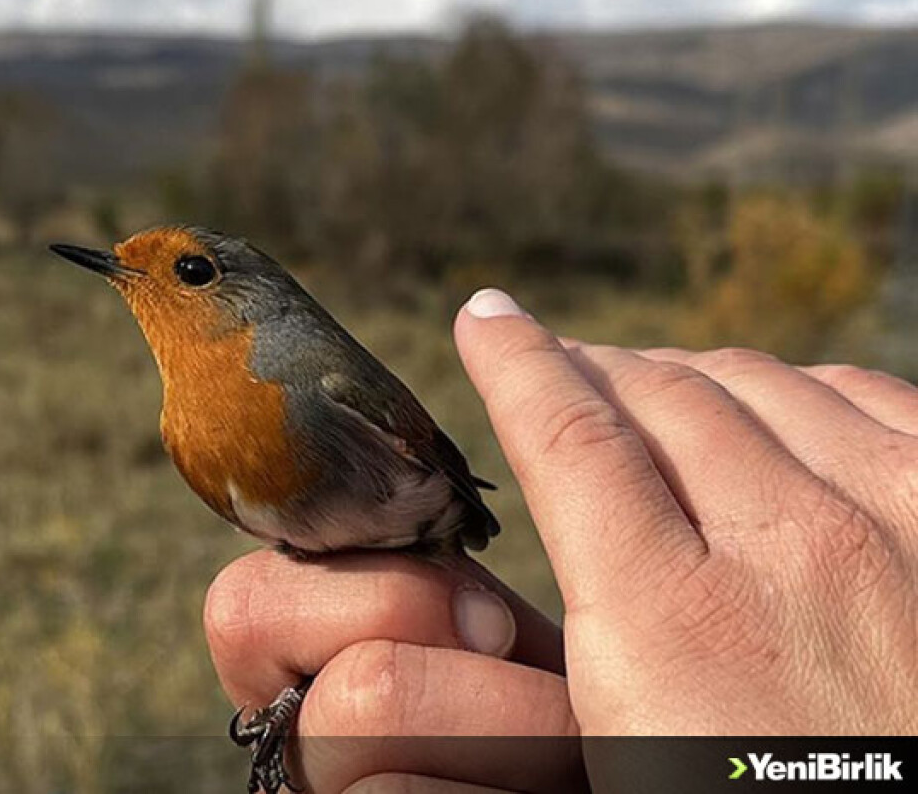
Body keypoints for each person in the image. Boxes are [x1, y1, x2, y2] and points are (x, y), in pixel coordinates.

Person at [203, 288, 918, 793]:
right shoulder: (196, 426)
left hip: (423, 524)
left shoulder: (322, 383)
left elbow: (431, 454)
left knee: (414, 659)